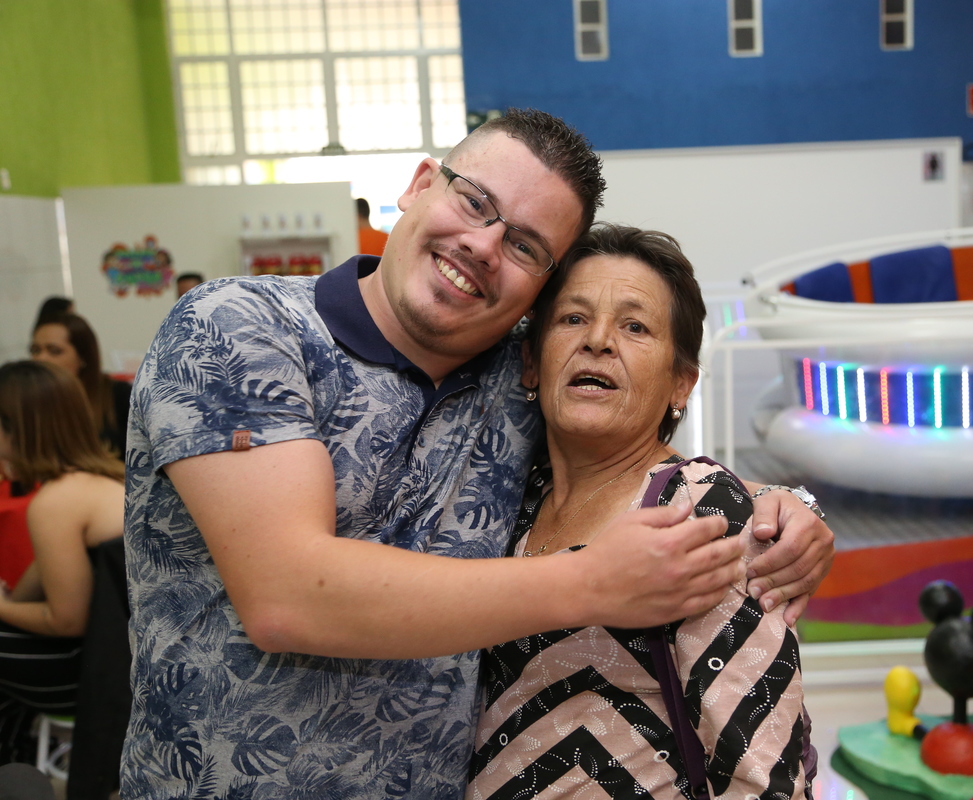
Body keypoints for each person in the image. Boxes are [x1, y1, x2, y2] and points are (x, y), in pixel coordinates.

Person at [123, 109, 834, 798]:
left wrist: (782, 508)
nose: (484, 246)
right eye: (474, 202)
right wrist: (590, 581)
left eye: (525, 245)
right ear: (418, 185)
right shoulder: (240, 328)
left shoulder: (515, 379)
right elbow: (285, 595)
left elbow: (624, 448)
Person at [468, 224, 816, 799]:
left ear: (681, 384)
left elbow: (764, 777)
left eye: (635, 327)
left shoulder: (700, 512)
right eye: (573, 318)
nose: (598, 340)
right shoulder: (511, 503)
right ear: (531, 363)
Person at [0, 361, 124, 763]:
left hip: (97, 676)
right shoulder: (106, 478)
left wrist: (2, 607)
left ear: (16, 429)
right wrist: (11, 603)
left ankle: (14, 765)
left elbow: (67, 621)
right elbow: (46, 572)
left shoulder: (56, 502)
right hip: (124, 658)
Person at [29, 313, 132, 458]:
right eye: (35, 350)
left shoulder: (119, 395)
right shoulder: (28, 399)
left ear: (83, 357)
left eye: (54, 351)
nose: (40, 358)